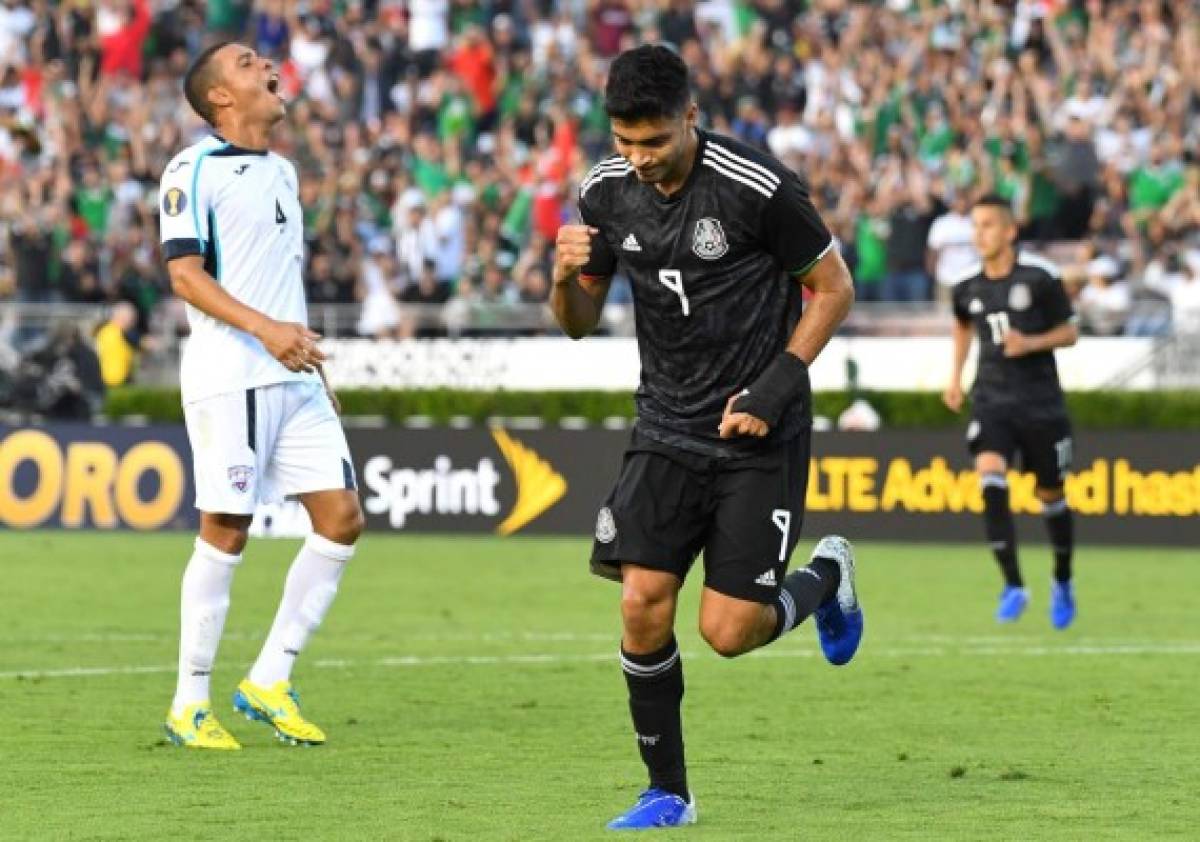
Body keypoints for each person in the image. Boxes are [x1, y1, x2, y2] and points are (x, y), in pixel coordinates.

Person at [551, 45, 863, 830]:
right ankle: (669, 792)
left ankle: (825, 578)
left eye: (654, 141)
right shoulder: (604, 193)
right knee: (641, 605)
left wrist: (776, 383)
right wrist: (561, 279)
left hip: (759, 431)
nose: (640, 159)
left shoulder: (757, 186)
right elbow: (579, 326)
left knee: (729, 632)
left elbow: (833, 288)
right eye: (625, 142)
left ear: (691, 116)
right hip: (664, 426)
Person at [157, 42, 364, 750]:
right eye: (248, 63)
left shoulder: (284, 171)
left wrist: (302, 353)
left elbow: (277, 280)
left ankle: (269, 678)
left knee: (341, 519)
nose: (268, 67)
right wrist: (268, 331)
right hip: (231, 374)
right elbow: (186, 276)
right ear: (220, 96)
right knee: (227, 530)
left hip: (293, 373)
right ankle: (189, 701)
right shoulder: (191, 170)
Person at [943, 195, 1079, 629]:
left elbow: (1071, 332)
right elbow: (963, 326)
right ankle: (1014, 585)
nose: (978, 234)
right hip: (991, 400)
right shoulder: (966, 285)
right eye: (975, 226)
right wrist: (955, 377)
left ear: (1009, 231)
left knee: (1051, 497)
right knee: (990, 476)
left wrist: (1031, 343)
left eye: (986, 225)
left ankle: (1062, 580)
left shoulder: (1041, 277)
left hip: (1041, 404)